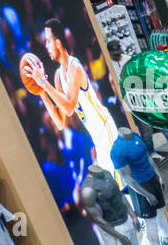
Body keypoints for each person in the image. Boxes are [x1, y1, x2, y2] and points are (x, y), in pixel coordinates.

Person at [30, 18, 122, 176]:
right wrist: (42, 93)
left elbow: (70, 107)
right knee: (113, 185)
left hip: (104, 126)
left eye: (48, 41)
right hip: (94, 133)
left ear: (58, 43)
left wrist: (44, 83)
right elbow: (60, 122)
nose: (46, 46)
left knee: (118, 183)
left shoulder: (75, 67)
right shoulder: (58, 76)